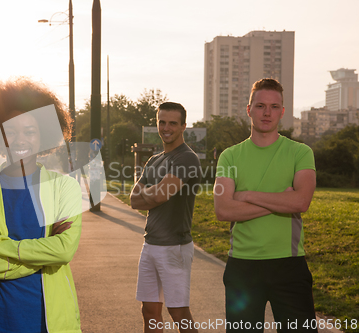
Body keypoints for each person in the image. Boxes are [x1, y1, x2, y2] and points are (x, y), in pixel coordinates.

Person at [0, 77, 82, 333]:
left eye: (30, 131)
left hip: (51, 323)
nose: (19, 139)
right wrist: (38, 259)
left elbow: (63, 251)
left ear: (43, 135)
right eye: (9, 131)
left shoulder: (64, 188)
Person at [214, 78, 318, 332]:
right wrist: (282, 201)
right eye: (260, 106)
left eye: (274, 106)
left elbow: (301, 201)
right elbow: (223, 210)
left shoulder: (300, 152)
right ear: (249, 109)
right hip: (242, 266)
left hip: (289, 264)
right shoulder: (230, 156)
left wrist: (246, 194)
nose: (267, 112)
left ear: (282, 112)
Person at [130, 102, 201, 333]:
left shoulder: (187, 159)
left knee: (178, 312)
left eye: (172, 123)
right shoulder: (154, 160)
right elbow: (133, 199)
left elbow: (160, 195)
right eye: (162, 122)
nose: (166, 127)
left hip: (175, 247)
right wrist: (155, 193)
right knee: (149, 311)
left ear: (183, 126)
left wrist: (151, 193)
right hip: (150, 244)